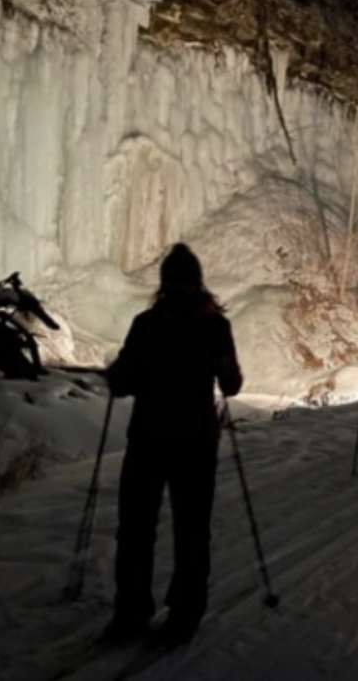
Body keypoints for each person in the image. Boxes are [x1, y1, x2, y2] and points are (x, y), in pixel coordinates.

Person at [105, 243, 243, 647]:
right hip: (193, 445)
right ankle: (184, 612)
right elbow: (232, 385)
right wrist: (221, 367)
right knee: (189, 532)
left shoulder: (146, 323)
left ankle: (132, 611)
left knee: (135, 532)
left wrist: (117, 373)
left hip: (149, 440)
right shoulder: (214, 326)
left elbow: (124, 382)